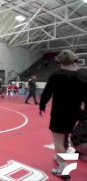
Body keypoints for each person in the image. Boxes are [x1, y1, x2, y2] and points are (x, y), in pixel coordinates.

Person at [39, 49, 87, 179]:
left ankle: (62, 168)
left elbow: (46, 93)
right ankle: (60, 157)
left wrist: (42, 106)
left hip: (59, 113)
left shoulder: (55, 75)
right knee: (65, 135)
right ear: (74, 60)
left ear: (60, 61)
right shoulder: (82, 77)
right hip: (75, 114)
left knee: (58, 141)